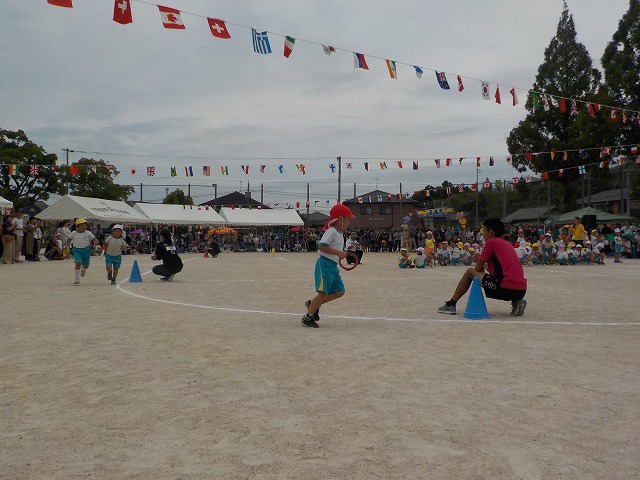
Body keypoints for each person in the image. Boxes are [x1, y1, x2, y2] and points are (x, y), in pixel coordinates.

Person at [438, 218, 527, 317]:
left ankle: (451, 304)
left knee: (469, 272)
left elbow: (477, 269)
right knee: (501, 279)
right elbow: (496, 272)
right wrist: (483, 264)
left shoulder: (491, 242)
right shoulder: (508, 245)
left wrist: (479, 262)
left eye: (484, 230)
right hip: (521, 291)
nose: (482, 234)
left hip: (503, 289)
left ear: (491, 232)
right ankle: (516, 302)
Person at [302, 204, 355, 328]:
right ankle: (307, 317)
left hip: (333, 266)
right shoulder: (331, 231)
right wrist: (338, 253)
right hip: (325, 265)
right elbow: (321, 246)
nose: (349, 222)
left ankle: (313, 304)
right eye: (348, 219)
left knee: (339, 291)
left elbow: (334, 247)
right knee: (323, 292)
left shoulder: (339, 233)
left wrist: (341, 253)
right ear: (340, 219)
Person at [67, 218, 99, 285]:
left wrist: (96, 241)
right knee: (78, 263)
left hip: (86, 251)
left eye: (85, 225)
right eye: (81, 225)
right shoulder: (74, 233)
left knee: (86, 265)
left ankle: (83, 269)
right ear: (77, 226)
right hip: (77, 250)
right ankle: (76, 278)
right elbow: (69, 239)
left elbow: (94, 239)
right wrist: (67, 246)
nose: (83, 227)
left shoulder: (88, 233)